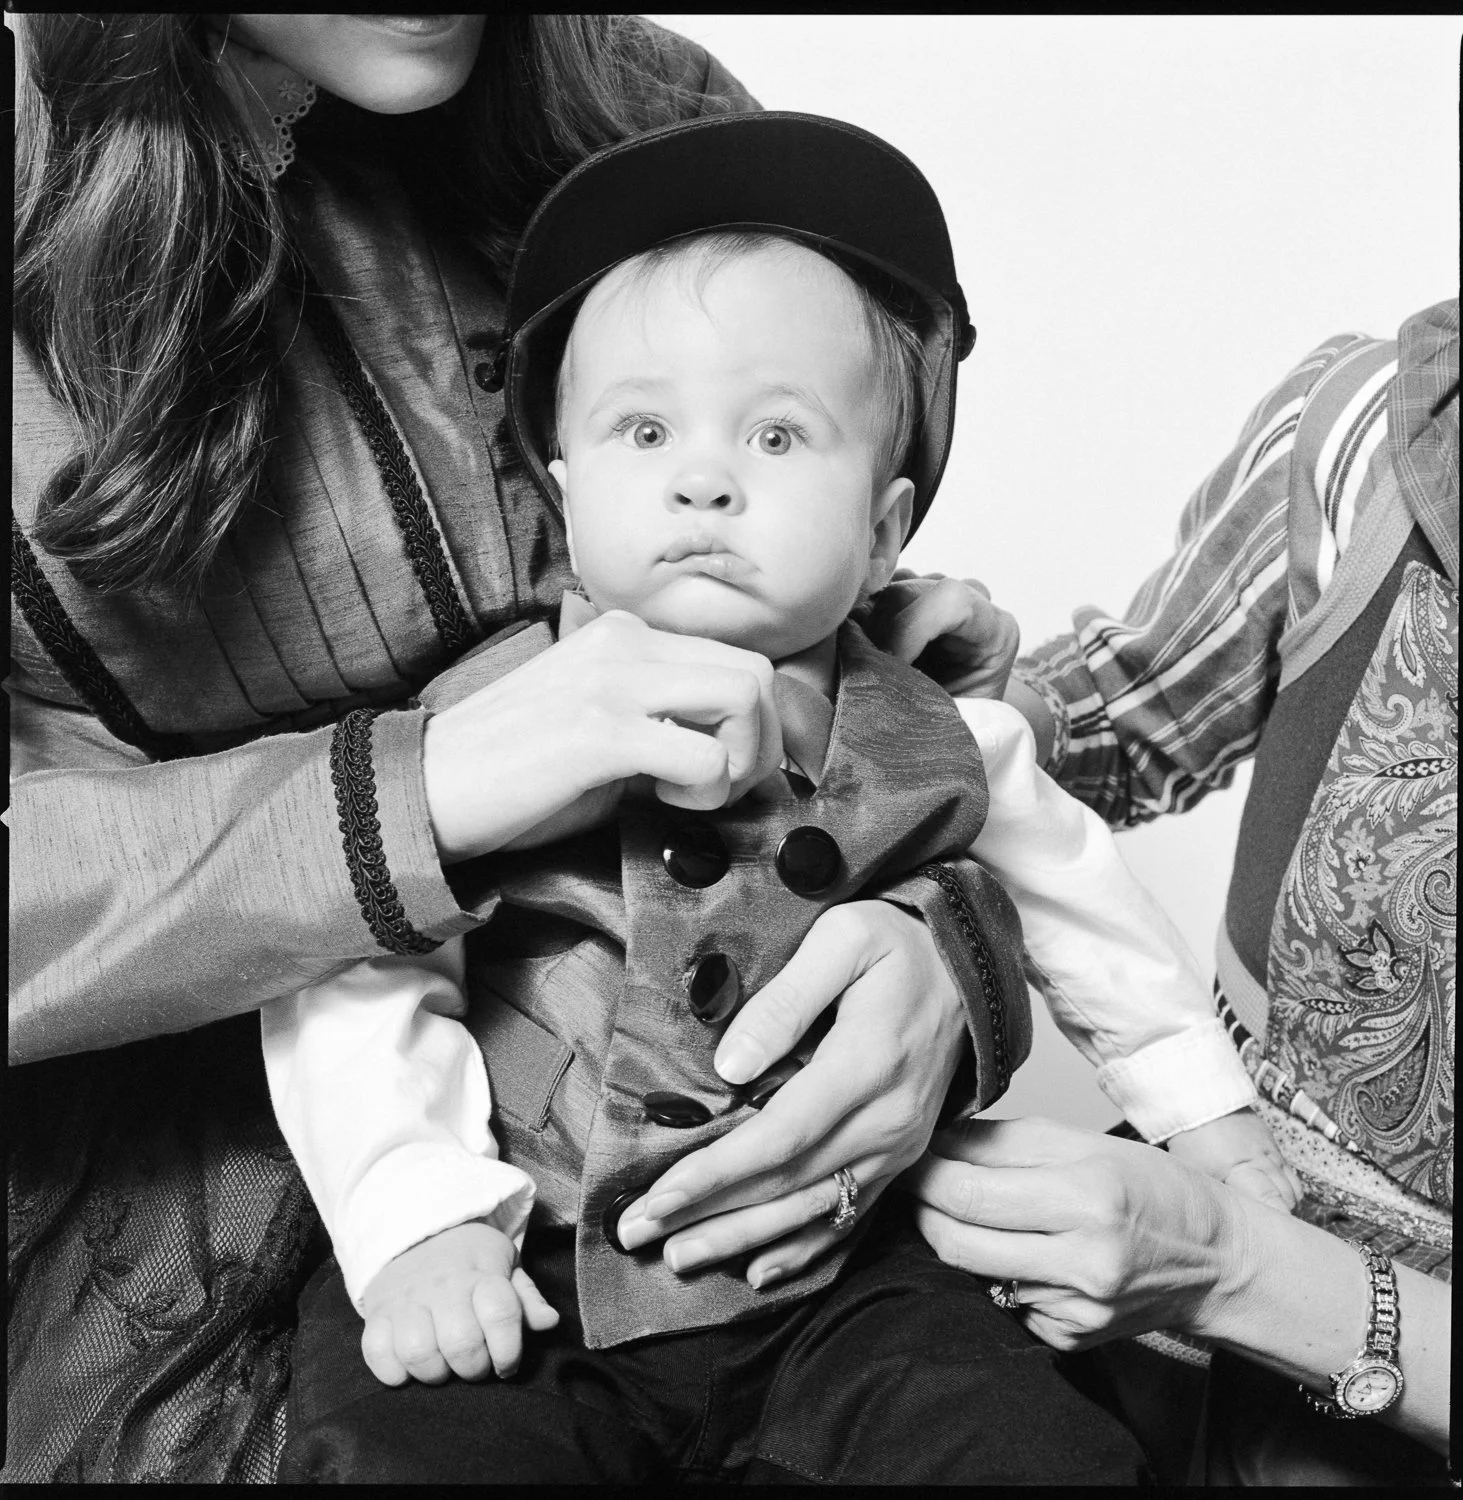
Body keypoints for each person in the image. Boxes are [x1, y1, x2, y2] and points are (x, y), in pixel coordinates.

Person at [8, 14, 1026, 1483]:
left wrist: (940, 956)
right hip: (190, 1239)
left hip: (757, 1219)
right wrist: (419, 792)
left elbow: (837, 609)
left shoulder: (647, 112)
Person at [265, 112, 1291, 1485]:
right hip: (529, 1250)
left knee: (1016, 1443)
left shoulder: (945, 738)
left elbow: (1097, 929)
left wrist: (1211, 1134)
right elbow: (358, 974)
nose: (703, 477)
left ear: (881, 528)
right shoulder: (481, 730)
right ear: (565, 498)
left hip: (837, 1265)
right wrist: (418, 1221)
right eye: (644, 429)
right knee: (416, 1446)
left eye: (775, 433)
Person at [901, 297, 1455, 1483]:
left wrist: (1237, 1268)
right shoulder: (1371, 430)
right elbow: (1140, 709)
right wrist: (943, 720)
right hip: (1172, 1265)